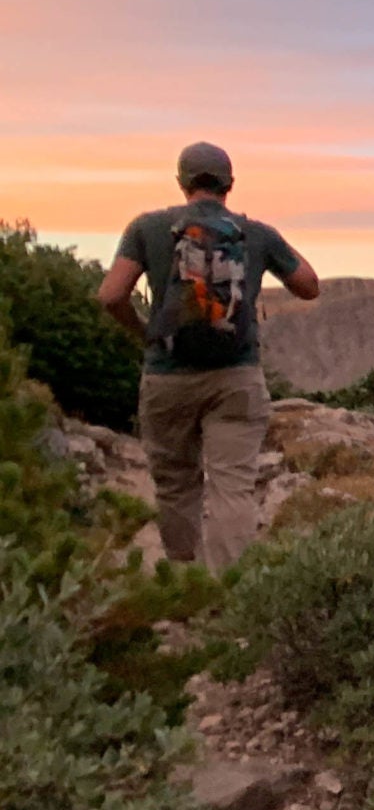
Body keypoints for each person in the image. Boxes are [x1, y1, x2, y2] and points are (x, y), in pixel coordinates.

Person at [95, 141, 320, 569]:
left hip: (167, 376)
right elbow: (309, 285)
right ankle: (229, 594)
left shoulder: (146, 228)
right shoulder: (256, 234)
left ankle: (184, 583)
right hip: (236, 376)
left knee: (175, 484)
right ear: (229, 184)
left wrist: (143, 332)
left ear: (181, 182)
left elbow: (110, 296)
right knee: (232, 486)